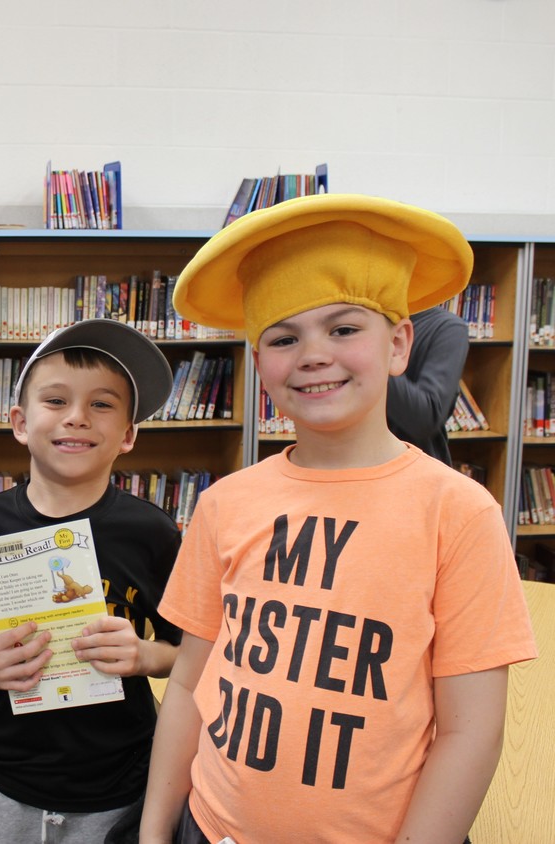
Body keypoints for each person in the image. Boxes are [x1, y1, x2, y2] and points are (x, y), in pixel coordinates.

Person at [139, 193, 538, 844]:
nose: (313, 354)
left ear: (400, 343)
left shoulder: (459, 513)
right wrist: (155, 832)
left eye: (345, 328)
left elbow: (471, 730)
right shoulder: (225, 504)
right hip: (211, 829)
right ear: (259, 363)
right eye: (283, 337)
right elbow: (189, 683)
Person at [0, 318, 183, 844]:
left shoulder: (153, 532)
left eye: (102, 404)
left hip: (121, 785)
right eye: (56, 401)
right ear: (21, 422)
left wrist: (145, 656)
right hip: (4, 780)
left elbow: (191, 655)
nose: (77, 418)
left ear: (128, 435)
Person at [387, 304, 470, 464]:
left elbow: (425, 418)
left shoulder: (447, 328)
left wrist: (370, 360)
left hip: (414, 471)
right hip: (347, 468)